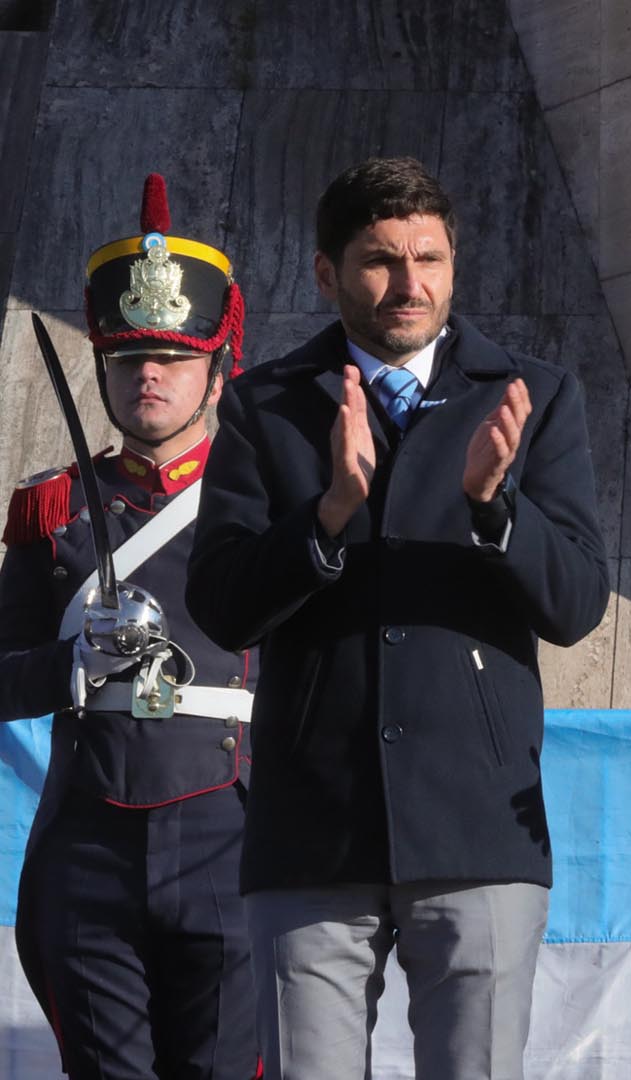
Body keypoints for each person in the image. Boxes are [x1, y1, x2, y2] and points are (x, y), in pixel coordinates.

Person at [182, 156, 610, 1078]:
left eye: (431, 258)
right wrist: (327, 514)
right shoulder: (264, 406)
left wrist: (498, 510)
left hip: (476, 826)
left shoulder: (531, 397)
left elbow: (577, 603)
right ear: (327, 274)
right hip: (313, 834)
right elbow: (220, 609)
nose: (410, 285)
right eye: (380, 260)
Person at [0, 173, 258, 1078]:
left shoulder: (264, 506)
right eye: (128, 356)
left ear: (217, 366)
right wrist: (71, 665)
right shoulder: (54, 508)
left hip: (234, 839)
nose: (148, 375)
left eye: (174, 357)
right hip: (88, 850)